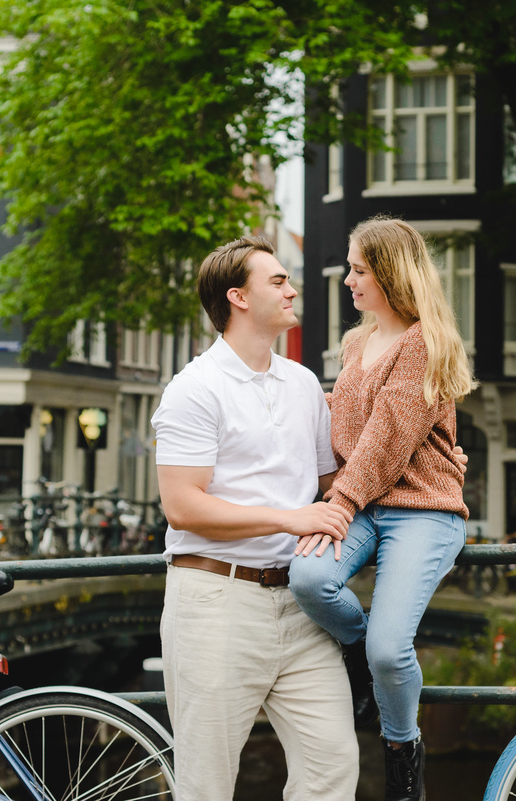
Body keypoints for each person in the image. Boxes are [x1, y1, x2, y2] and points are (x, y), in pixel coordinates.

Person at [151, 234, 359, 801]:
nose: (292, 290)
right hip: (216, 603)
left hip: (299, 603)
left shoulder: (302, 385)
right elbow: (183, 505)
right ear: (238, 297)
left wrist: (428, 466)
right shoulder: (194, 390)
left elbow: (330, 484)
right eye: (278, 281)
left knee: (333, 766)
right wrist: (288, 519)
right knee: (207, 785)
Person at [290, 215, 478, 801]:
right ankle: (358, 649)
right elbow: (345, 424)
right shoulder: (356, 342)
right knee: (310, 576)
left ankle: (402, 753)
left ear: (390, 274)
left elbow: (389, 435)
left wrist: (338, 500)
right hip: (368, 505)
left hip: (423, 510)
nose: (348, 280)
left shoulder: (426, 341)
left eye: (358, 270)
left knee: (391, 648)